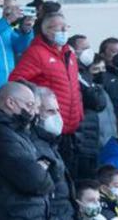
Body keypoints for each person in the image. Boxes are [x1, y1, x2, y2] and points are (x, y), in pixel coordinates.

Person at [0, 81, 55, 219]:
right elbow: (35, 180)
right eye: (29, 105)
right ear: (10, 103)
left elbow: (52, 171)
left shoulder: (17, 133)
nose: (33, 112)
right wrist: (41, 170)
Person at [12, 11, 84, 163]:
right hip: (48, 126)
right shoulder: (36, 53)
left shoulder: (69, 53)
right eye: (59, 29)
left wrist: (79, 115)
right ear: (46, 30)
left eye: (66, 28)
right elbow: (16, 81)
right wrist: (37, 103)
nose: (64, 32)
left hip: (71, 127)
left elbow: (75, 87)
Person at [72, 34, 117, 182]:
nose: (88, 51)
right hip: (84, 142)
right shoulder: (76, 74)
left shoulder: (88, 77)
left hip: (98, 141)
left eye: (89, 47)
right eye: (84, 48)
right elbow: (98, 102)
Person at [33, 85, 78, 220]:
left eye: (58, 111)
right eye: (50, 111)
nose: (57, 117)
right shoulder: (34, 145)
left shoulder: (50, 144)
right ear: (35, 112)